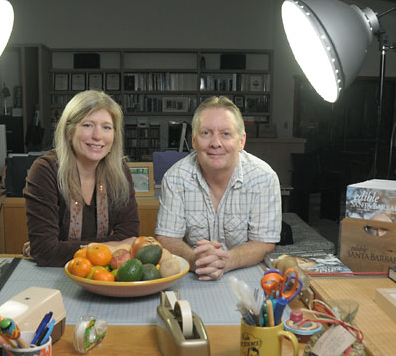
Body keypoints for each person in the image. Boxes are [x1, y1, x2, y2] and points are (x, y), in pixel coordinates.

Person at [155, 96, 281, 280]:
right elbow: (167, 238)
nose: (215, 143)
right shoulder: (175, 178)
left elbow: (264, 242)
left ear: (241, 141)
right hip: (192, 277)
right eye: (206, 133)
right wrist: (196, 260)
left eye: (226, 134)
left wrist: (226, 261)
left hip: (246, 276)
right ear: (194, 141)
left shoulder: (263, 178)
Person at [23, 90, 139, 267]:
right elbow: (45, 252)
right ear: (69, 131)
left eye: (106, 127)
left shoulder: (120, 170)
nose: (98, 136)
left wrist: (60, 248)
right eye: (88, 125)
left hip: (101, 273)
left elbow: (130, 236)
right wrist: (115, 245)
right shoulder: (45, 170)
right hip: (55, 273)